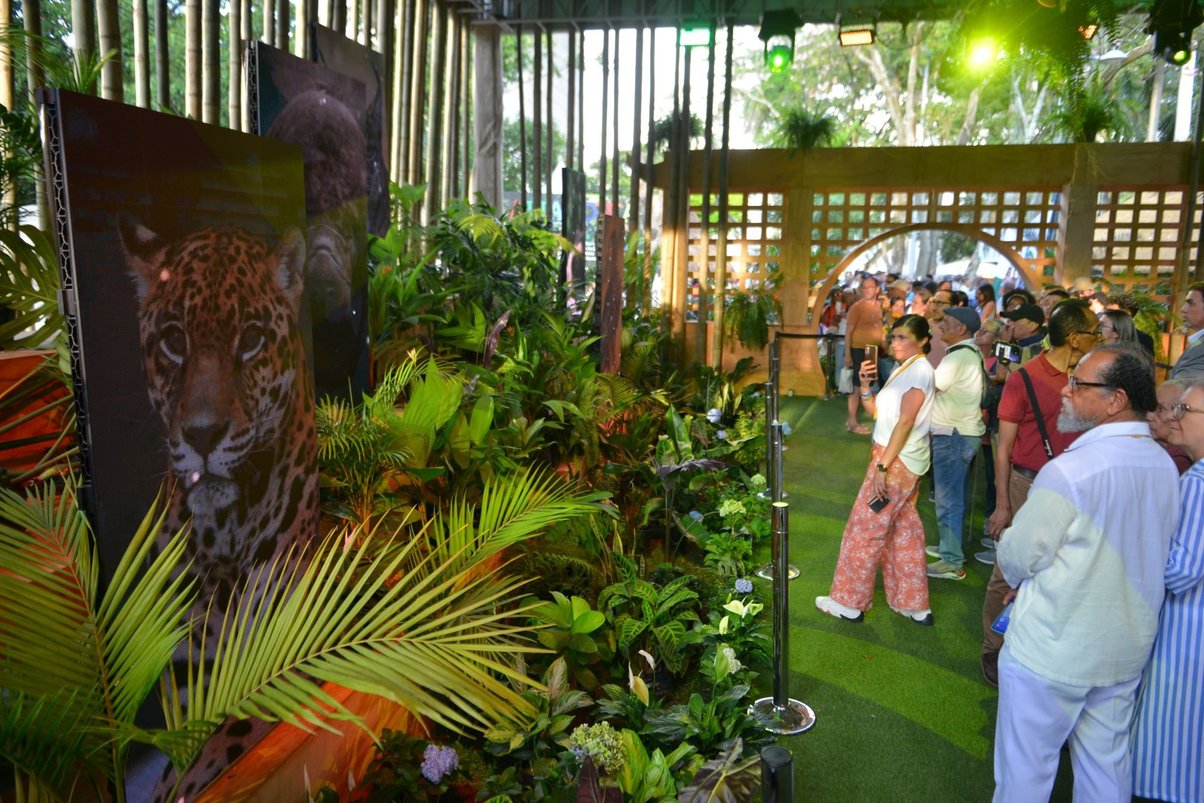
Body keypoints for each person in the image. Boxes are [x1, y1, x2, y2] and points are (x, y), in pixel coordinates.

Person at [992, 344, 1179, 803]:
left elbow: (1019, 554)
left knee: (1025, 772)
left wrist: (1017, 574)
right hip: (1124, 649)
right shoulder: (1164, 465)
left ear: (1115, 400)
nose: (1067, 392)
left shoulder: (1071, 470)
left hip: (1053, 647)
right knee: (1105, 770)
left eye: (1079, 384)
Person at [979, 299, 1101, 686]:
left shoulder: (1092, 378)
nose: (1099, 338)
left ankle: (1040, 646)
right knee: (1008, 566)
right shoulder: (1027, 376)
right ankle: (993, 649)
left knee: (1063, 567)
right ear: (1075, 336)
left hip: (1078, 487)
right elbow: (1004, 445)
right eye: (1094, 332)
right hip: (1028, 483)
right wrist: (1002, 503)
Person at [816, 314, 937, 626]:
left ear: (922, 341)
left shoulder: (919, 371)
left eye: (903, 337)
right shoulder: (905, 368)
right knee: (905, 531)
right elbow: (880, 414)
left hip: (894, 462)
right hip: (902, 459)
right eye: (893, 336)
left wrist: (883, 467)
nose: (895, 343)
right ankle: (913, 603)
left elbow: (906, 422)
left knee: (864, 528)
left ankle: (848, 602)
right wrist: (867, 387)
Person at [1132, 377, 1204, 803]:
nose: (1174, 418)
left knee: (1171, 745)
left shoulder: (1197, 480)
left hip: (1186, 635)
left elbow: (1180, 571)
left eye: (1184, 411)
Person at [926, 306, 985, 582]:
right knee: (951, 497)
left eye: (946, 323)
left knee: (948, 499)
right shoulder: (968, 354)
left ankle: (952, 560)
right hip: (960, 433)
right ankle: (949, 548)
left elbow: (930, 388)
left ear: (961, 329)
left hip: (952, 434)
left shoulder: (958, 357)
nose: (940, 327)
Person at [844, 275, 886, 435]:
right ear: (861, 289)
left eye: (870, 287)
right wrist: (847, 355)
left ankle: (852, 421)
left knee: (865, 384)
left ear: (877, 289)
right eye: (865, 287)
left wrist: (885, 344)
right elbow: (848, 332)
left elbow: (879, 327)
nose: (867, 290)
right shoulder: (857, 307)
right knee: (857, 385)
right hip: (859, 350)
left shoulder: (878, 305)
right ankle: (852, 422)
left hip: (872, 350)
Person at [1150, 379, 1194, 474]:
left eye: (1161, 409)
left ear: (1179, 414)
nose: (1148, 416)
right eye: (1151, 406)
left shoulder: (1178, 462)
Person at [1171, 282, 1204, 380]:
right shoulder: (1198, 342)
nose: (1183, 309)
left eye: (1190, 303)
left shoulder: (1201, 348)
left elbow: (1180, 387)